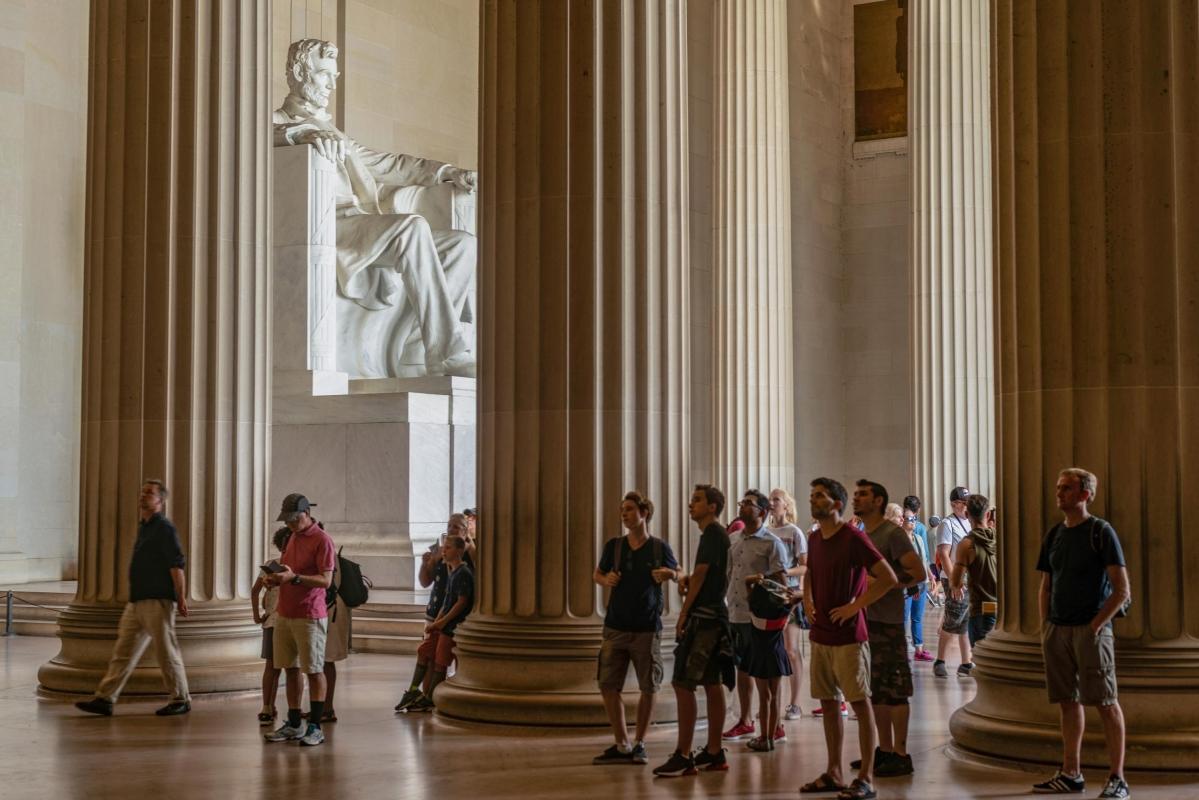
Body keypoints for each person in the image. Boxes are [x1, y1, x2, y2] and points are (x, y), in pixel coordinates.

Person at [273, 39, 478, 378]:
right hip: (320, 224)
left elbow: (391, 164)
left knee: (462, 244)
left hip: (361, 224)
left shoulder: (334, 132)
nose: (332, 85)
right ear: (299, 72)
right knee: (411, 227)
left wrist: (447, 173)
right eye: (325, 75)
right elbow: (248, 134)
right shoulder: (279, 122)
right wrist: (301, 133)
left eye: (335, 76)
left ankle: (416, 350)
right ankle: (448, 353)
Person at [1031, 468, 1131, 799]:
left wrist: (1095, 626)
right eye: (1058, 487)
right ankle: (1071, 772)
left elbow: (1121, 590)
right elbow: (1046, 584)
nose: (1059, 493)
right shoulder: (1054, 534)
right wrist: (1046, 625)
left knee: (1105, 702)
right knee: (1067, 702)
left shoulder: (1100, 532)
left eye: (1067, 489)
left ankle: (1117, 778)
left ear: (1085, 494)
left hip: (1092, 630)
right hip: (1057, 630)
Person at [799, 477, 897, 800]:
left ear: (837, 504)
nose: (813, 500)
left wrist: (855, 606)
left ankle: (866, 777)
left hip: (849, 636)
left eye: (820, 496)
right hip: (821, 633)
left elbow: (888, 577)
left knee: (858, 702)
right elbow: (810, 572)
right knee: (828, 703)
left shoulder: (853, 537)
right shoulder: (814, 538)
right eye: (812, 495)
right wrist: (807, 599)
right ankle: (834, 771)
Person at [75, 480, 192, 717]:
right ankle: (105, 698)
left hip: (158, 600)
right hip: (137, 601)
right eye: (142, 492)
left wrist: (180, 597)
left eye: (149, 493)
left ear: (160, 501)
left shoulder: (164, 528)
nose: (143, 495)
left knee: (166, 652)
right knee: (123, 651)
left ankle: (181, 698)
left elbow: (177, 565)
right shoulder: (145, 527)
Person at [653, 485, 736, 777]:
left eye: (697, 500)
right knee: (712, 683)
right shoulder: (716, 534)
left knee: (682, 682)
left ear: (712, 507)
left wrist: (684, 613)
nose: (691, 504)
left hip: (705, 620)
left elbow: (701, 574)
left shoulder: (713, 533)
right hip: (716, 617)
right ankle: (714, 751)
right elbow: (704, 574)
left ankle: (684, 754)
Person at [590, 491, 678, 765]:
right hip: (615, 626)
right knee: (608, 684)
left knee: (648, 686)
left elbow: (678, 571)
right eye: (622, 510)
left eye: (629, 509)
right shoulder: (614, 546)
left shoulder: (658, 547)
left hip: (646, 627)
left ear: (644, 512)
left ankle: (640, 742)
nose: (624, 514)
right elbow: (597, 573)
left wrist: (670, 574)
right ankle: (622, 742)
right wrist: (606, 580)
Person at [853, 482, 926, 778]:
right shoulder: (860, 536)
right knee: (876, 690)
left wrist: (886, 582)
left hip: (889, 622)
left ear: (878, 501)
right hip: (866, 621)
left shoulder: (892, 534)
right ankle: (883, 749)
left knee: (895, 690)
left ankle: (901, 753)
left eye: (863, 495)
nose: (856, 498)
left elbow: (918, 573)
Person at [262, 494, 336, 747]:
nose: (291, 525)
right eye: (288, 521)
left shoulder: (322, 540)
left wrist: (293, 579)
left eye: (295, 519)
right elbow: (288, 569)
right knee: (289, 668)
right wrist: (274, 577)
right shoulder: (292, 536)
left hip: (309, 614)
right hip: (285, 612)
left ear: (307, 514)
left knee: (314, 670)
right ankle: (294, 723)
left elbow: (326, 580)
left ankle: (315, 725)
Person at [721, 490, 789, 747]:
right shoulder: (734, 539)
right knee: (744, 667)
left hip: (761, 617)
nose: (742, 506)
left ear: (762, 511)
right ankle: (746, 719)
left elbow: (781, 584)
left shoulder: (772, 543)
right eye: (742, 502)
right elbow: (729, 575)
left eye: (748, 504)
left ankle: (776, 725)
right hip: (736, 613)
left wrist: (779, 618)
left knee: (768, 673)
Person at [396, 514, 472, 711]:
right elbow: (425, 582)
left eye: (456, 526)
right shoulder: (439, 552)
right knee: (427, 653)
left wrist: (442, 621)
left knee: (441, 659)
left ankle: (433, 696)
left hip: (453, 620)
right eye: (449, 525)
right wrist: (426, 563)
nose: (452, 529)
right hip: (436, 613)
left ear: (465, 530)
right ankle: (420, 693)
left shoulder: (468, 555)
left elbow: (462, 598)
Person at [768, 488, 808, 721]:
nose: (772, 503)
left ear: (786, 505)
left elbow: (805, 565)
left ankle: (795, 703)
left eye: (776, 499)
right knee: (773, 651)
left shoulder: (794, 532)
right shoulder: (765, 532)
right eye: (770, 499)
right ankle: (773, 702)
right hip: (769, 595)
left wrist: (785, 572)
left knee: (791, 649)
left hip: (789, 594)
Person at [741, 577, 794, 752]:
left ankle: (763, 737)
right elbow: (797, 598)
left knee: (764, 697)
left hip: (759, 656)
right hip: (777, 656)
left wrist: (757, 579)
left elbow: (746, 583)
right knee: (776, 696)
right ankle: (772, 737)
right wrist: (785, 592)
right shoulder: (783, 612)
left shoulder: (754, 609)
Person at [251, 527, 292, 725]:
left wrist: (256, 615)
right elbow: (255, 591)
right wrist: (257, 614)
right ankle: (272, 706)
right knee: (281, 668)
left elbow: (254, 591)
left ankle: (270, 707)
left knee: (277, 668)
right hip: (280, 619)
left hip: (279, 619)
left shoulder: (277, 565)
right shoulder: (279, 566)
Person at [933, 486, 973, 678]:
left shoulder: (971, 522)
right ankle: (940, 660)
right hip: (953, 578)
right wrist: (954, 581)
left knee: (965, 621)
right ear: (954, 504)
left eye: (967, 503)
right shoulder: (947, 524)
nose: (965, 506)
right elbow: (944, 554)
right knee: (953, 619)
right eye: (962, 503)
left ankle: (966, 663)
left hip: (968, 578)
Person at [950, 494, 998, 650]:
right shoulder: (1001, 538)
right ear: (988, 514)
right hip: (1003, 609)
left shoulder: (966, 544)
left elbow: (956, 581)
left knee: (981, 656)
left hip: (980, 608)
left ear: (966, 514)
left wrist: (957, 584)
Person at [320, 552, 351, 724]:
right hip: (325, 609)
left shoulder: (326, 551)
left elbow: (326, 583)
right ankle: (320, 706)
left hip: (331, 611)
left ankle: (327, 708)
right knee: (320, 661)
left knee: (327, 659)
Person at [900, 511, 932, 662]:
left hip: (922, 582)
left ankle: (919, 648)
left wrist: (931, 576)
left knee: (917, 617)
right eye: (909, 519)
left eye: (914, 519)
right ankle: (904, 648)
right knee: (905, 617)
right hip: (908, 585)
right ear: (902, 521)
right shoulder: (900, 540)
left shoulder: (918, 537)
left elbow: (924, 558)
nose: (912, 521)